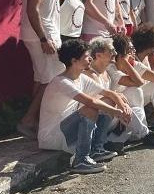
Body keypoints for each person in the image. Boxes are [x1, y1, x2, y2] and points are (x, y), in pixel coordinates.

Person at [37, 39, 131, 174]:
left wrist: (123, 107)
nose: (90, 58)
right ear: (74, 61)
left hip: (68, 128)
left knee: (108, 101)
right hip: (53, 136)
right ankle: (81, 160)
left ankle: (96, 150)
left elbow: (108, 93)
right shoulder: (61, 82)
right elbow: (90, 102)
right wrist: (118, 113)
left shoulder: (81, 77)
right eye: (86, 56)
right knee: (91, 108)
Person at [17, 0, 76, 139]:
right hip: (42, 36)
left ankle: (35, 120)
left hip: (44, 35)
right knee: (54, 77)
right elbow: (32, 9)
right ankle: (29, 120)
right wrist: (43, 38)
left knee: (42, 77)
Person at [83, 36, 154, 152]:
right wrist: (116, 98)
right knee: (118, 103)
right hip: (96, 120)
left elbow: (139, 83)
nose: (115, 53)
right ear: (98, 55)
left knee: (133, 99)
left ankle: (114, 141)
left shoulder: (106, 71)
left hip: (111, 117)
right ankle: (144, 135)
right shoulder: (90, 74)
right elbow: (90, 101)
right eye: (111, 51)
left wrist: (118, 99)